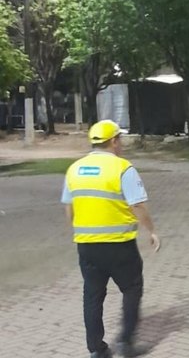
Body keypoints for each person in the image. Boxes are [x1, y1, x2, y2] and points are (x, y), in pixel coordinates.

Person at [61, 120, 161, 358]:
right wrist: (152, 231)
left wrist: (77, 230)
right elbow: (137, 205)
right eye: (120, 140)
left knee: (93, 295)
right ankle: (125, 343)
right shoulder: (123, 168)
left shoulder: (74, 169)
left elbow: (69, 207)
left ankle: (96, 349)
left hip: (86, 245)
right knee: (132, 288)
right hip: (119, 244)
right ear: (114, 141)